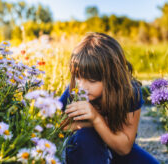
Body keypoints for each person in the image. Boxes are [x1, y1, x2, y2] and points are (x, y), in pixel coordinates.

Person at [59, 32, 159, 164]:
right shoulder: (75, 90)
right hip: (85, 147)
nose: (82, 86)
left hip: (115, 146)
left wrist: (96, 118)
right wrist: (90, 124)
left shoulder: (130, 93)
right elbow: (58, 125)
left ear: (112, 78)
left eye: (92, 80)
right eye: (78, 76)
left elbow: (124, 148)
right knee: (86, 137)